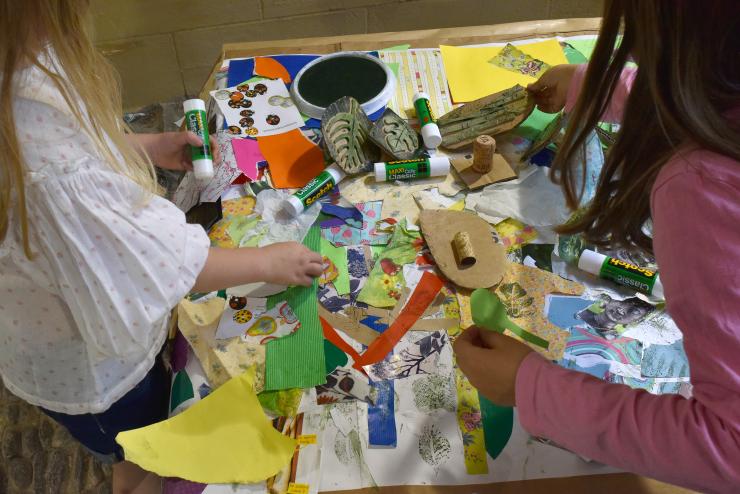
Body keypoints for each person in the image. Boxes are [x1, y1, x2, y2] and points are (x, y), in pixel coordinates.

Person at [0, 1, 323, 492]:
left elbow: (75, 144)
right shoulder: (40, 158)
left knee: (156, 437)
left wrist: (146, 146)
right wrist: (267, 260)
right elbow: (158, 265)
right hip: (96, 375)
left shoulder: (25, 59)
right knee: (145, 452)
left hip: (83, 326)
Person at [453, 1, 740, 492]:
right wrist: (598, 87)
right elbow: (711, 92)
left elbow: (729, 447)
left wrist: (532, 389)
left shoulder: (704, 187)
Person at [576, 294, 655, 338]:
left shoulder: (615, 339)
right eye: (625, 300)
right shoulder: (580, 310)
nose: (623, 308)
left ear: (637, 321)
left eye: (635, 311)